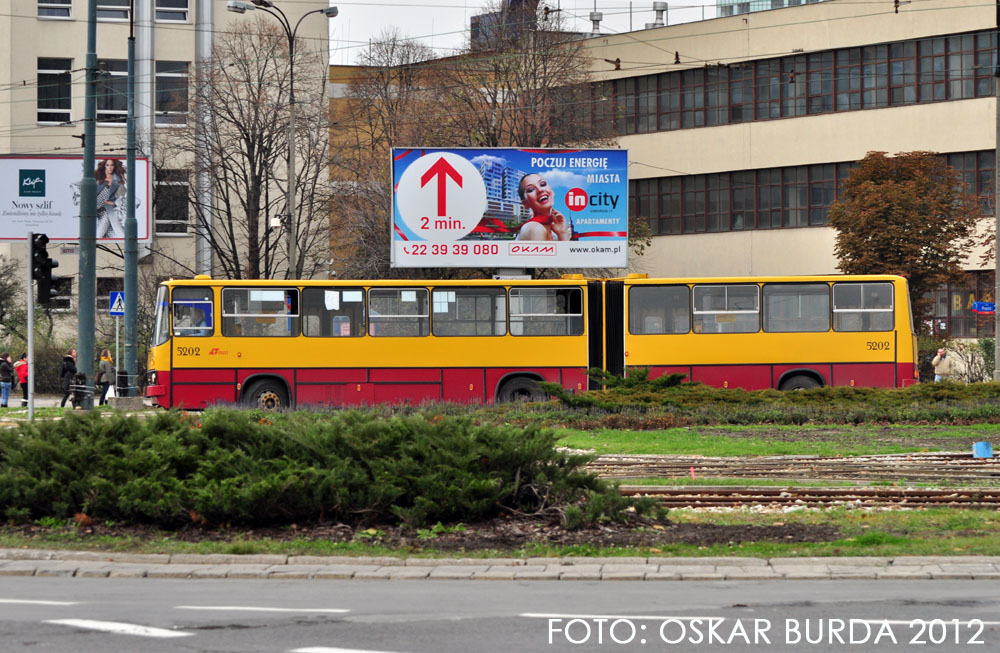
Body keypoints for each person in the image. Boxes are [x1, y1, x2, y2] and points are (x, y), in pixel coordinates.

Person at [515, 173, 573, 242]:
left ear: (552, 191)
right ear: (525, 204)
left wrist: (562, 233)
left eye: (543, 184)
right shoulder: (535, 228)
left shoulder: (554, 233)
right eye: (531, 190)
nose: (540, 190)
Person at [95, 158, 126, 239]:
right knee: (114, 235)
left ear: (115, 166)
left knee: (98, 235)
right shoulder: (97, 178)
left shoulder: (118, 181)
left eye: (112, 165)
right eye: (107, 165)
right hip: (94, 211)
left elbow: (122, 198)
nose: (110, 167)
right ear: (104, 166)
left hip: (107, 212)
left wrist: (114, 203)